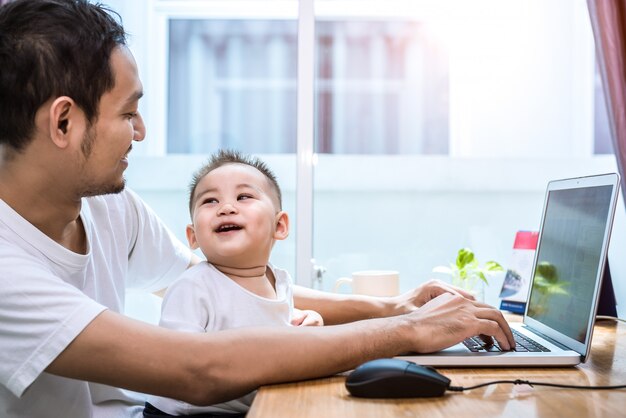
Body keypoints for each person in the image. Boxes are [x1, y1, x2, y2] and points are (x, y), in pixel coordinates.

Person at [0, 1, 514, 417]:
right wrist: (402, 333)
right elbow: (195, 370)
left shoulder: (108, 208)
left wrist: (393, 308)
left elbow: (222, 279)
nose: (141, 132)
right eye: (129, 112)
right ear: (64, 123)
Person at [145, 150, 323, 416]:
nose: (226, 207)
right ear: (193, 236)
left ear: (280, 226)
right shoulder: (194, 287)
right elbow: (179, 366)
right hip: (187, 412)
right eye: (210, 200)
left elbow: (268, 323)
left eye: (243, 197)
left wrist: (307, 319)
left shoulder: (280, 282)